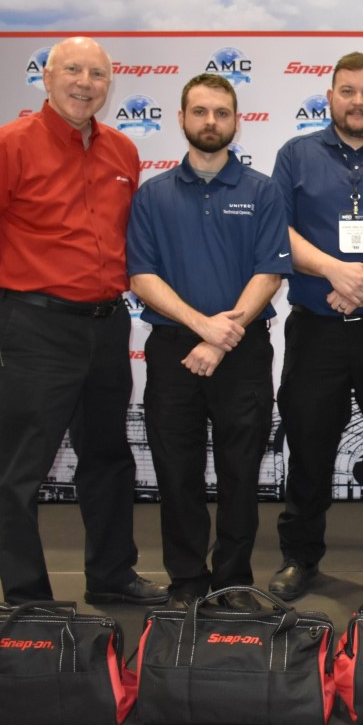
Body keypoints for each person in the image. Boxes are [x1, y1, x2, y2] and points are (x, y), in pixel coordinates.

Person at [0, 36, 168, 606]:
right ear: (46, 78)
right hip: (37, 327)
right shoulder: (6, 146)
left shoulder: (122, 150)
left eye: (97, 74)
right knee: (22, 471)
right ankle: (27, 599)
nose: (84, 84)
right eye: (72, 70)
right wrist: (18, 296)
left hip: (106, 325)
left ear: (109, 85)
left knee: (109, 458)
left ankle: (112, 575)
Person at [127, 74, 290, 611]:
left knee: (241, 471)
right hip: (173, 348)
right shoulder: (152, 195)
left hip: (242, 349)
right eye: (199, 111)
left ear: (236, 121)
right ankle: (187, 580)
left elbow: (269, 273)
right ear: (181, 119)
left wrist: (220, 339)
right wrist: (203, 327)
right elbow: (142, 277)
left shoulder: (262, 191)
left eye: (221, 112)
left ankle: (233, 579)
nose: (211, 122)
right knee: (177, 470)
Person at [268, 52, 363, 600]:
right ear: (329, 97)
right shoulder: (296, 154)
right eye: (348, 91)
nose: (358, 102)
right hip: (317, 328)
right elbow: (277, 232)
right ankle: (299, 557)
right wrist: (335, 270)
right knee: (309, 449)